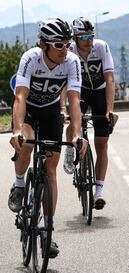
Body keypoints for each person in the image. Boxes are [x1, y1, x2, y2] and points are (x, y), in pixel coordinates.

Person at [8, 18, 87, 257]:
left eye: (68, 44)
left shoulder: (72, 62)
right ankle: (20, 185)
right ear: (44, 45)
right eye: (59, 45)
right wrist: (17, 129)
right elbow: (20, 97)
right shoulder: (30, 59)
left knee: (51, 170)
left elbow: (74, 102)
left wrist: (76, 135)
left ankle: (49, 232)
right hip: (29, 111)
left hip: (52, 112)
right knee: (28, 144)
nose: (66, 49)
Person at [63, 17, 116, 210]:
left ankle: (99, 191)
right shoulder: (69, 51)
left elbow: (110, 79)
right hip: (80, 91)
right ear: (75, 37)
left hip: (100, 92)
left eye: (91, 35)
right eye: (84, 37)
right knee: (74, 122)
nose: (89, 40)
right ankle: (70, 151)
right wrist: (63, 109)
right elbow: (63, 82)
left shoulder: (101, 47)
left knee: (102, 144)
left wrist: (110, 108)